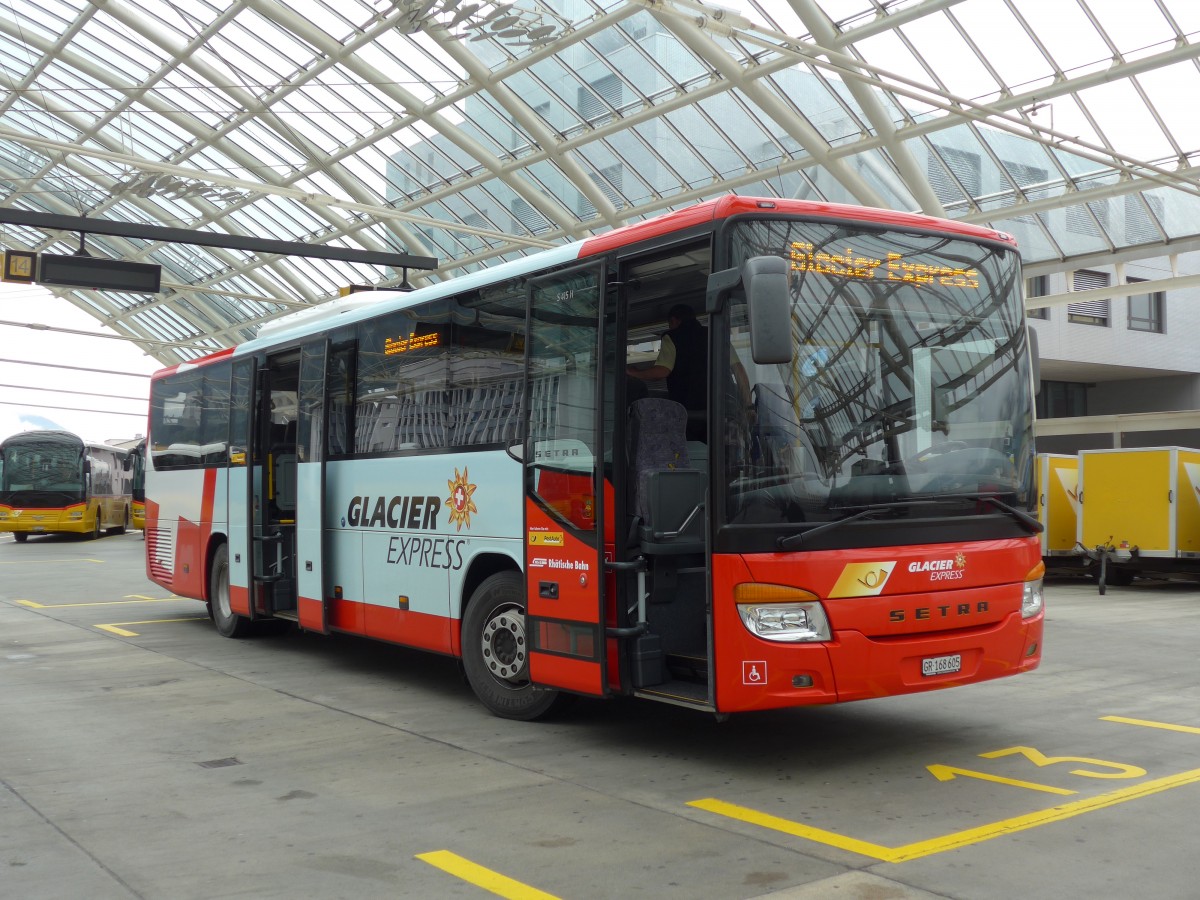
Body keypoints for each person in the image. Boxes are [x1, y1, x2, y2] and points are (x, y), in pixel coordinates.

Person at [626, 303, 708, 440]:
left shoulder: (672, 337)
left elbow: (662, 371)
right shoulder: (715, 333)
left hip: (687, 410)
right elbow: (739, 370)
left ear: (674, 320)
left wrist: (634, 373)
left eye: (670, 324)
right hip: (717, 410)